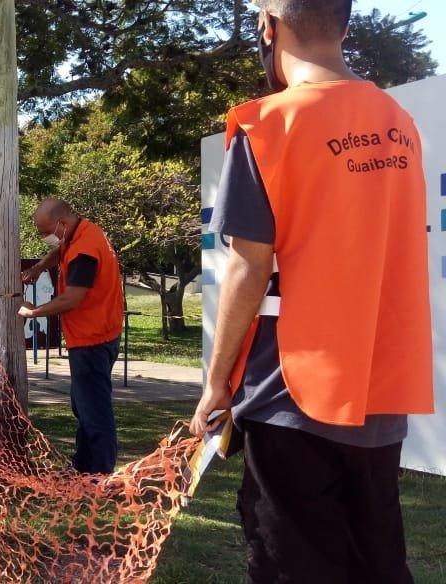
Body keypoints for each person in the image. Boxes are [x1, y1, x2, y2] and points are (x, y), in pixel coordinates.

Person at [190, 0, 434, 581]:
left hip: (292, 391)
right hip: (382, 389)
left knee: (292, 563)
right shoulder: (400, 124)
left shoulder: (268, 125)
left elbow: (248, 270)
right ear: (345, 26)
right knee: (375, 560)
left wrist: (217, 383)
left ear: (267, 26)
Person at [20, 198, 124, 474]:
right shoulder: (84, 231)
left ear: (62, 223)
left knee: (94, 410)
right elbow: (61, 250)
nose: (44, 238)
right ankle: (82, 464)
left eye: (45, 232)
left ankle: (99, 473)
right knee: (83, 404)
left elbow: (72, 299)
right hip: (97, 333)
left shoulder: (85, 250)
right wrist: (41, 266)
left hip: (93, 338)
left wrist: (34, 313)